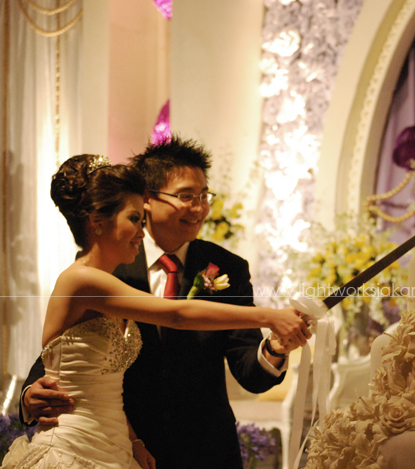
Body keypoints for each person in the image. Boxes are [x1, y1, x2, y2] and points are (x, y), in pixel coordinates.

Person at [17, 142, 310, 468]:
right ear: (149, 199)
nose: (199, 208)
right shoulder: (104, 269)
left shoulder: (228, 267)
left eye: (204, 196)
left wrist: (276, 346)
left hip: (199, 449)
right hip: (103, 445)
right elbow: (69, 347)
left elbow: (250, 372)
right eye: (187, 196)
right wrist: (30, 392)